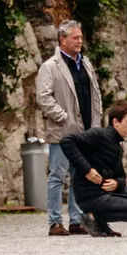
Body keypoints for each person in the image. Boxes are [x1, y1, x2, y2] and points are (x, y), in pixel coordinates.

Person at [34, 20, 102, 237]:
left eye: (81, 37)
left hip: (85, 131)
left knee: (79, 176)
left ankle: (75, 220)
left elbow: (95, 95)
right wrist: (63, 116)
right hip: (63, 132)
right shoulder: (50, 67)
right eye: (75, 38)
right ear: (62, 40)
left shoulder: (86, 63)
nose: (80, 41)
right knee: (57, 175)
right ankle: (55, 222)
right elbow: (43, 98)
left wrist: (96, 122)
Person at [64, 103, 127, 237]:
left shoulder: (117, 146)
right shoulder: (98, 134)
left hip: (105, 192)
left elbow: (121, 177)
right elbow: (67, 141)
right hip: (91, 196)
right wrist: (87, 171)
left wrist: (117, 183)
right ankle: (91, 215)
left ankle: (99, 221)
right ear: (115, 122)